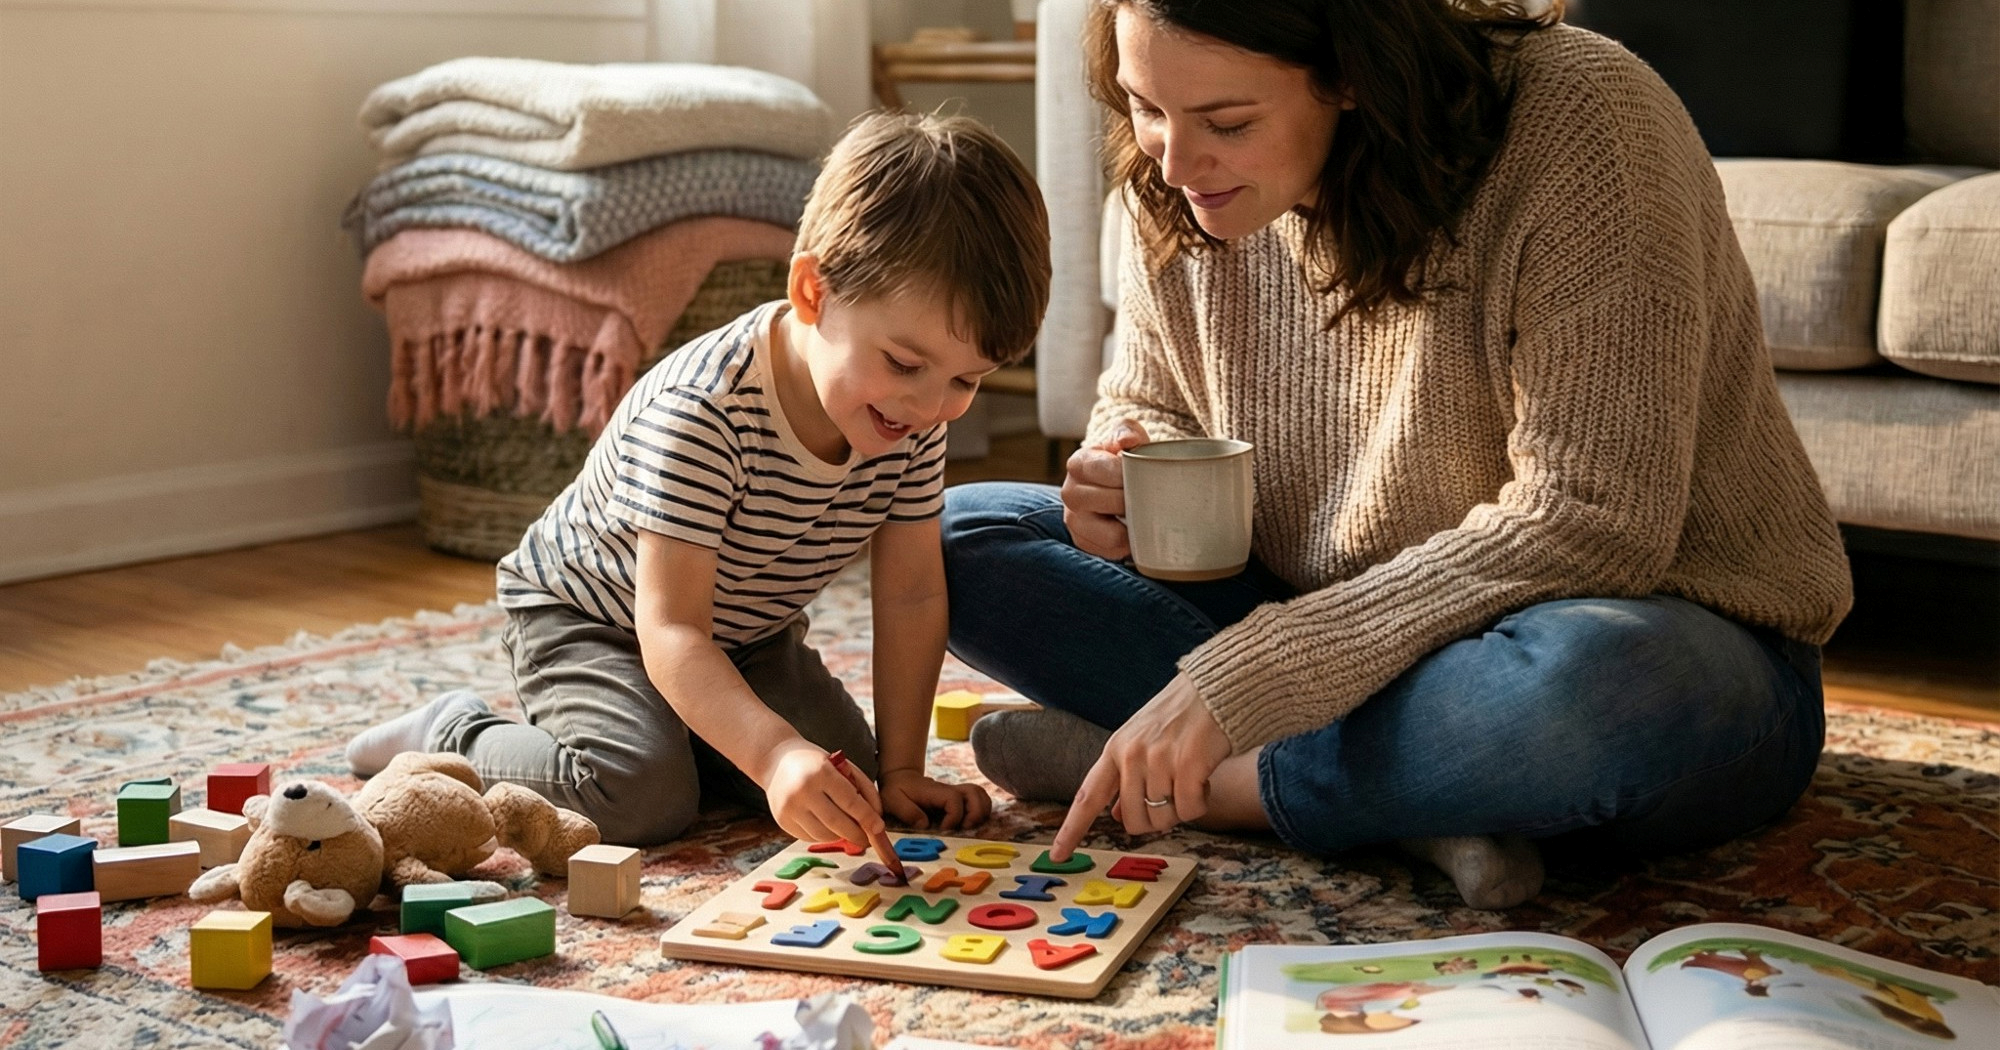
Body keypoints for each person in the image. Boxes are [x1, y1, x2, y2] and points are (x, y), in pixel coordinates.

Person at [943, 0, 1852, 909]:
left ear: (1351, 73)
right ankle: (1417, 799)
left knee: (1604, 687)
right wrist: (1123, 477)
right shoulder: (1177, 174)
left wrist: (1242, 682)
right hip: (1325, 624)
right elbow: (1153, 398)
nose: (1174, 162)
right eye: (1146, 108)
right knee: (959, 540)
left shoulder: (1586, 117)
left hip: (1642, 632)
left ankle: (1224, 788)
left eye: (1228, 123)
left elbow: (1593, 523)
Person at [348, 111, 1051, 848]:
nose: (932, 406)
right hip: (598, 621)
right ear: (813, 293)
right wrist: (772, 754)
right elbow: (672, 628)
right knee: (638, 797)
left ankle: (693, 735)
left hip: (745, 634)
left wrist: (901, 768)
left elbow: (911, 594)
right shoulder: (704, 412)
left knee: (848, 782)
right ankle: (453, 732)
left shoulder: (911, 415)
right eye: (905, 364)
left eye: (967, 380)